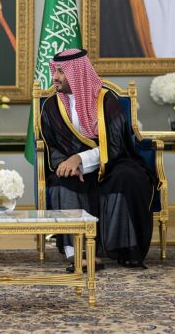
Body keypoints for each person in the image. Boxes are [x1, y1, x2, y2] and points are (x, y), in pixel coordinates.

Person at [40, 49, 156, 269]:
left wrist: (80, 159)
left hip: (112, 162)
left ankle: (125, 249)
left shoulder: (105, 101)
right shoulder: (51, 107)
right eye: (54, 70)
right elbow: (51, 146)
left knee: (129, 178)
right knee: (63, 183)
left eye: (61, 72)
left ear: (78, 73)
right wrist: (68, 164)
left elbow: (115, 144)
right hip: (72, 167)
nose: (54, 77)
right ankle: (78, 253)